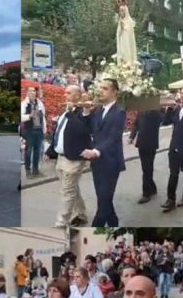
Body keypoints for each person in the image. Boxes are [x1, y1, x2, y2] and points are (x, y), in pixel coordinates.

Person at [80, 79, 126, 226]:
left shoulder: (119, 112)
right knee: (103, 199)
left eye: (105, 89)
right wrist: (86, 112)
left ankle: (96, 227)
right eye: (100, 88)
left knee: (104, 200)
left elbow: (113, 137)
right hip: (97, 162)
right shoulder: (98, 110)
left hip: (111, 162)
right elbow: (88, 129)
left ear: (114, 92)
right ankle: (114, 223)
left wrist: (97, 151)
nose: (101, 91)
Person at [45, 85, 92, 226]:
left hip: (74, 159)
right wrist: (50, 151)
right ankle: (81, 214)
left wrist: (71, 112)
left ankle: (61, 222)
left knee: (67, 191)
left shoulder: (83, 112)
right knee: (72, 188)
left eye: (69, 93)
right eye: (65, 92)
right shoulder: (66, 110)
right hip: (61, 157)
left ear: (78, 95)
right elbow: (59, 132)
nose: (65, 95)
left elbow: (82, 130)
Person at [129, 108, 162, 203]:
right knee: (145, 168)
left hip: (151, 144)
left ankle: (146, 193)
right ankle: (152, 188)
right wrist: (132, 137)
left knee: (148, 168)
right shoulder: (141, 111)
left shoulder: (156, 113)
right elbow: (136, 125)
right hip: (141, 144)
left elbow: (161, 120)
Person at [21, 87, 46, 178]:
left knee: (37, 151)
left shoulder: (39, 103)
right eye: (30, 91)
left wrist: (44, 129)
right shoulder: (24, 104)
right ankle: (28, 171)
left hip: (39, 130)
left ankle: (35, 170)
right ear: (27, 93)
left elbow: (43, 117)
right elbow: (21, 117)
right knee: (28, 150)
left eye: (34, 91)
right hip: (29, 130)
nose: (33, 93)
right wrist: (29, 116)